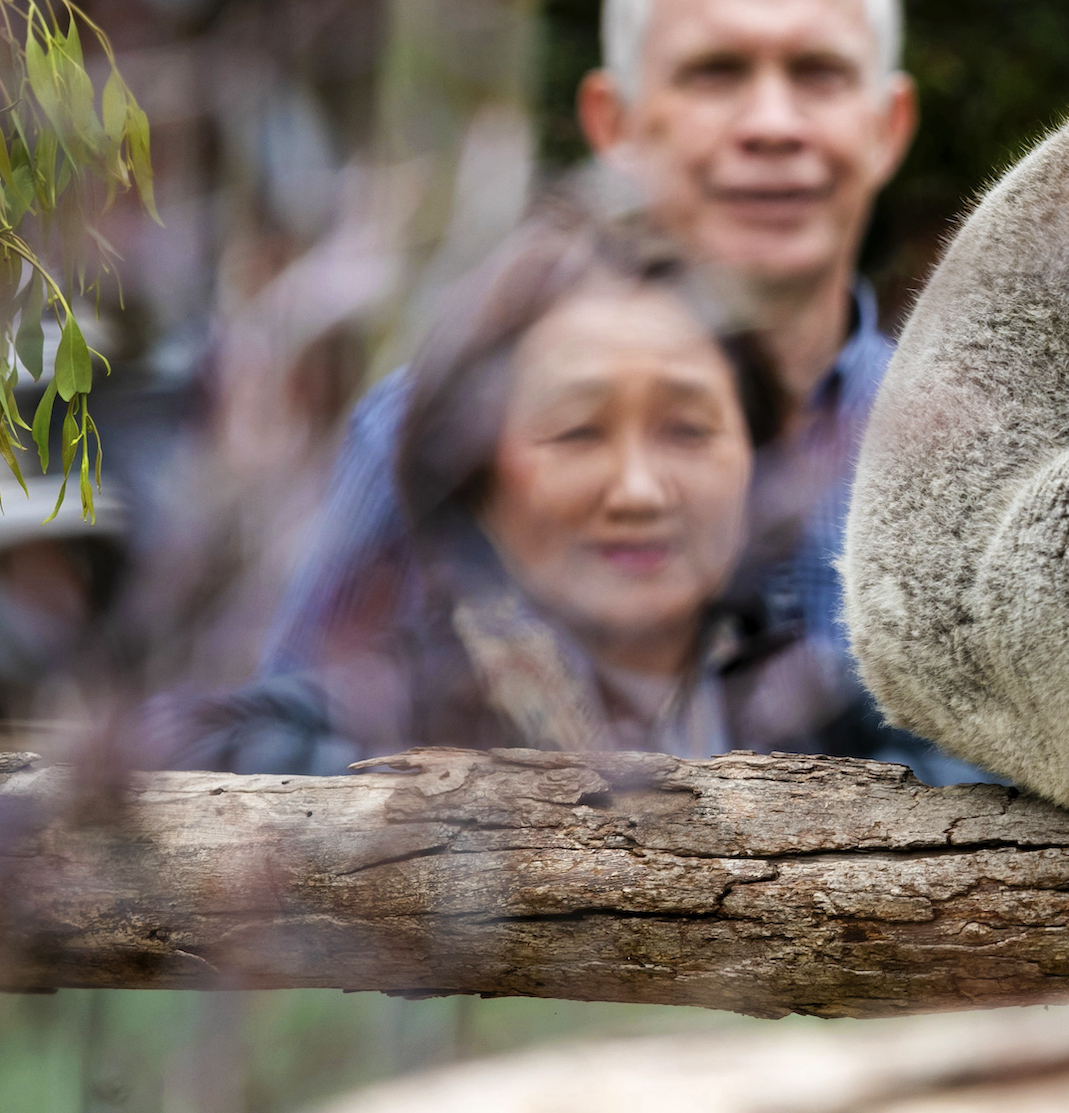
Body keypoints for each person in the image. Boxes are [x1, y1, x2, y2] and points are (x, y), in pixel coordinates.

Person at [226, 0, 965, 773]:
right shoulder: (432, 426)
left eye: (818, 72)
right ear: (613, 124)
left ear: (889, 124)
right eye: (716, 72)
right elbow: (270, 784)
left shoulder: (975, 451)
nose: (773, 123)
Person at [163, 210, 818, 767]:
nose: (639, 491)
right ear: (472, 473)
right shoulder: (370, 725)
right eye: (578, 432)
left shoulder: (838, 720)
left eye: (687, 429)